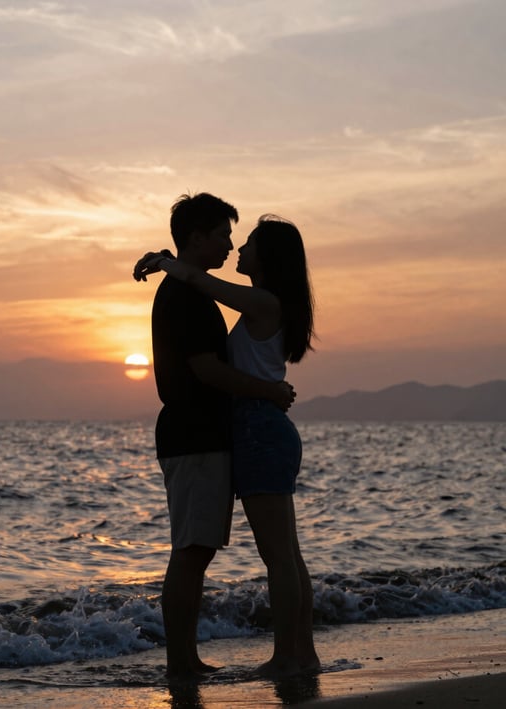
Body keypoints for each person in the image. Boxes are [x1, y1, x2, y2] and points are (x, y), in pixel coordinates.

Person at [135, 213, 320, 678]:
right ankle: (302, 653)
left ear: (269, 256)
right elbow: (198, 278)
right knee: (287, 553)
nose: (238, 248)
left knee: (279, 555)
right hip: (258, 428)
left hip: (258, 429)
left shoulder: (260, 300)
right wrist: (167, 260)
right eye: (229, 237)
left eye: (248, 242)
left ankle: (287, 657)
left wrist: (164, 261)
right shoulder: (265, 303)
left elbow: (199, 279)